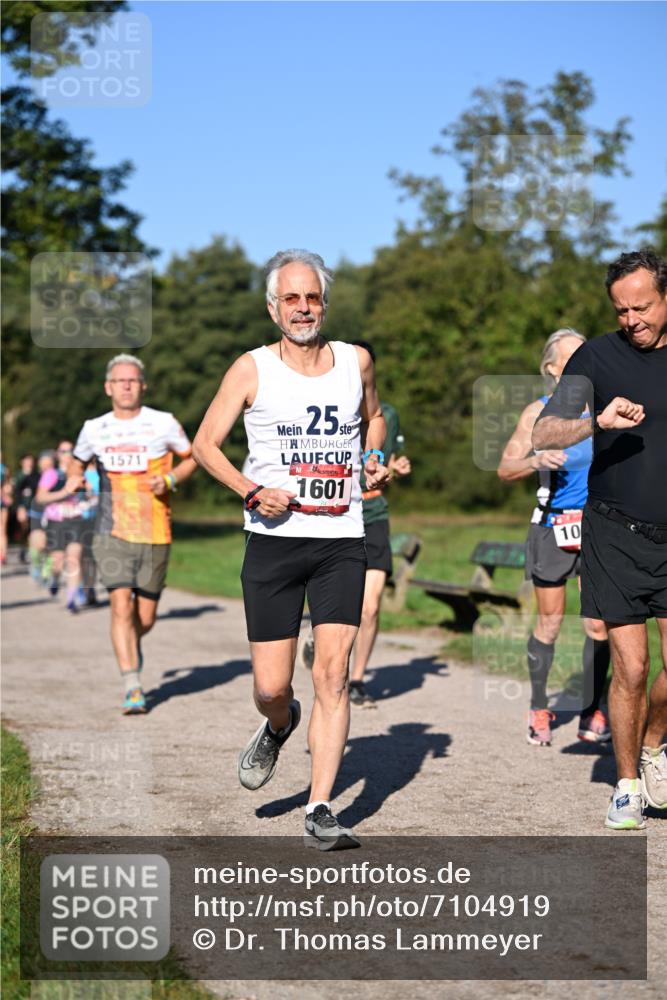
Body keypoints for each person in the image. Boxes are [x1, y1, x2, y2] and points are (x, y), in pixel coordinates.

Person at [192, 248, 389, 850]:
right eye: (291, 299)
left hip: (340, 539)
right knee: (274, 686)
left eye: (313, 297)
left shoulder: (356, 361)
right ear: (273, 307)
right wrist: (251, 490)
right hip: (274, 542)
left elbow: (373, 420)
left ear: (324, 302)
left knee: (333, 676)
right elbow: (205, 444)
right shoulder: (251, 369)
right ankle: (279, 725)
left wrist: (373, 458)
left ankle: (320, 807)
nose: (303, 308)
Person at [533, 249, 667, 830]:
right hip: (613, 530)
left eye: (642, 307)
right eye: (621, 309)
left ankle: (655, 741)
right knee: (631, 668)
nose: (631, 319)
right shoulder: (596, 356)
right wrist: (596, 421)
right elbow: (545, 429)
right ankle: (627, 784)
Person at [65, 354, 197, 713]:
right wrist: (74, 478)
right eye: (119, 381)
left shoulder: (163, 423)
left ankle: (130, 645)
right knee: (120, 605)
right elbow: (76, 461)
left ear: (143, 386)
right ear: (108, 387)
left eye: (132, 380)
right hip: (111, 531)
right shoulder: (94, 428)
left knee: (146, 617)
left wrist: (169, 479)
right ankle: (132, 685)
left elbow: (193, 457)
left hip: (155, 529)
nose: (126, 385)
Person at [498, 329, 610, 747]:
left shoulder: (602, 411)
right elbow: (505, 469)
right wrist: (534, 459)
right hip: (552, 528)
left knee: (599, 624)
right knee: (550, 622)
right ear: (551, 368)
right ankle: (540, 706)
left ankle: (593, 709)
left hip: (598, 527)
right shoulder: (538, 413)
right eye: (571, 357)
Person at [347, 340, 411, 708]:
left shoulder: (387, 413)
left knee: (370, 607)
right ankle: (331, 664)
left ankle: (357, 679)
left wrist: (398, 468)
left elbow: (390, 462)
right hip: (336, 515)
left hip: (373, 514)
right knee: (341, 606)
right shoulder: (329, 409)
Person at [35, 441, 88, 609]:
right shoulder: (51, 474)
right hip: (56, 521)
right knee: (57, 561)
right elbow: (40, 498)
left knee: (74, 557)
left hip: (76, 519)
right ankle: (55, 578)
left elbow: (90, 494)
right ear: (57, 454)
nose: (67, 453)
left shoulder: (80, 473)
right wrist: (64, 493)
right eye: (63, 451)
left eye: (70, 450)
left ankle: (71, 599)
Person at [12, 455, 39, 562]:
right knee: (24, 529)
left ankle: (31, 552)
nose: (29, 463)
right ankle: (23, 549)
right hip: (22, 506)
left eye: (30, 461)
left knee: (33, 529)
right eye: (27, 460)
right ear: (22, 462)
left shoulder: (36, 475)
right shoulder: (18, 475)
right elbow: (16, 493)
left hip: (34, 506)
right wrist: (19, 507)